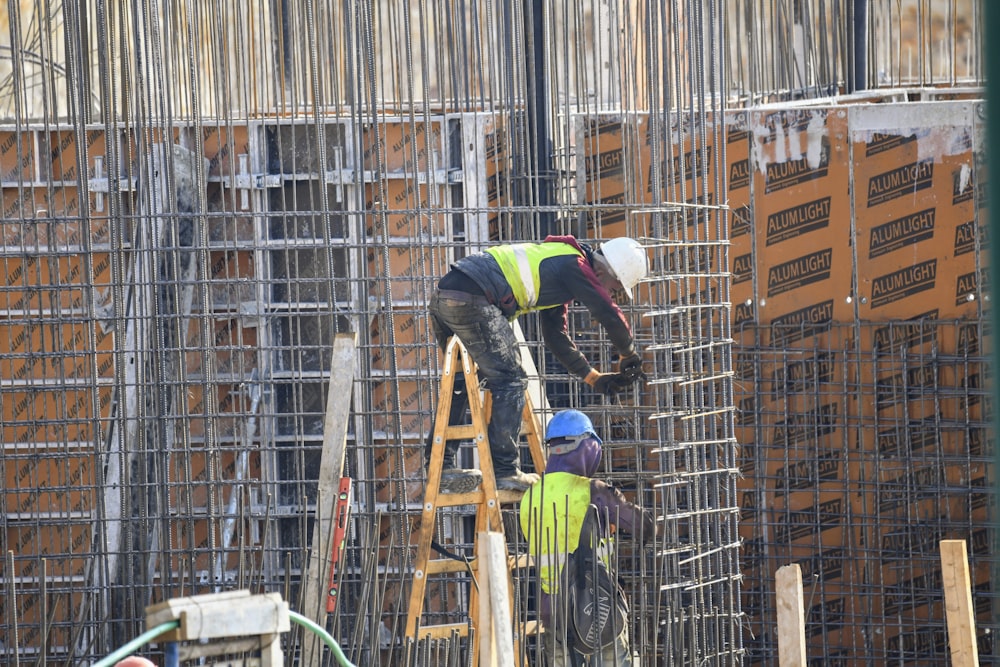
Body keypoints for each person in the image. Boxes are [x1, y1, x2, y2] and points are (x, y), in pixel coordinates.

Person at [427, 235, 649, 491]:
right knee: (511, 380)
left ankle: (440, 468)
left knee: (460, 384)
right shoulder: (573, 264)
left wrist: (593, 378)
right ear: (601, 270)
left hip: (446, 297)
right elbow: (607, 310)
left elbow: (556, 336)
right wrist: (629, 354)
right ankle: (504, 470)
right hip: (474, 298)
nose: (611, 292)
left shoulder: (559, 265)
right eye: (615, 286)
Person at [519, 409, 655, 665]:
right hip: (595, 608)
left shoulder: (530, 495)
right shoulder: (593, 490)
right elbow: (645, 527)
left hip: (554, 611)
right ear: (587, 447)